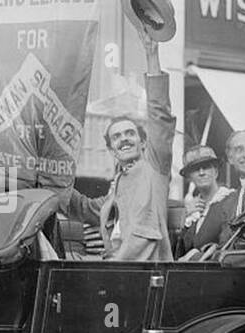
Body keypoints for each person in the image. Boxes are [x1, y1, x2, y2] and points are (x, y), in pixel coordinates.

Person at [60, 34, 176, 262]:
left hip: (148, 271)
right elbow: (84, 208)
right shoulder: (117, 186)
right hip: (116, 269)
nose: (124, 139)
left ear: (143, 143)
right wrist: (51, 176)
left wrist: (152, 55)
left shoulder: (155, 166)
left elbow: (160, 115)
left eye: (130, 133)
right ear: (112, 149)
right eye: (117, 137)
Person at [176, 144, 234, 254]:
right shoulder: (191, 209)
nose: (202, 172)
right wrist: (186, 215)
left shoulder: (230, 200)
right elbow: (178, 250)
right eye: (195, 169)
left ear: (216, 172)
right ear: (189, 178)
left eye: (206, 167)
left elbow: (228, 245)